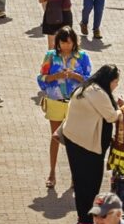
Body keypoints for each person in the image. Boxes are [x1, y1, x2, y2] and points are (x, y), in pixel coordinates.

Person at [60, 64, 124, 224]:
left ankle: (84, 217)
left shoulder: (88, 87)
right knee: (91, 180)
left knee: (81, 179)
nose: (116, 86)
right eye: (116, 82)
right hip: (87, 144)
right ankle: (87, 218)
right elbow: (110, 116)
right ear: (109, 80)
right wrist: (121, 109)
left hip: (76, 140)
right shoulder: (97, 93)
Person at [38, 26, 92, 189]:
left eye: (69, 42)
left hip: (75, 104)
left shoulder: (82, 57)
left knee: (74, 140)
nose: (66, 46)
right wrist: (56, 76)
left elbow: (90, 80)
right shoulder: (50, 56)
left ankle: (75, 175)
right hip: (56, 101)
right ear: (58, 43)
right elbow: (41, 78)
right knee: (55, 137)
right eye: (63, 43)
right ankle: (52, 173)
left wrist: (75, 76)